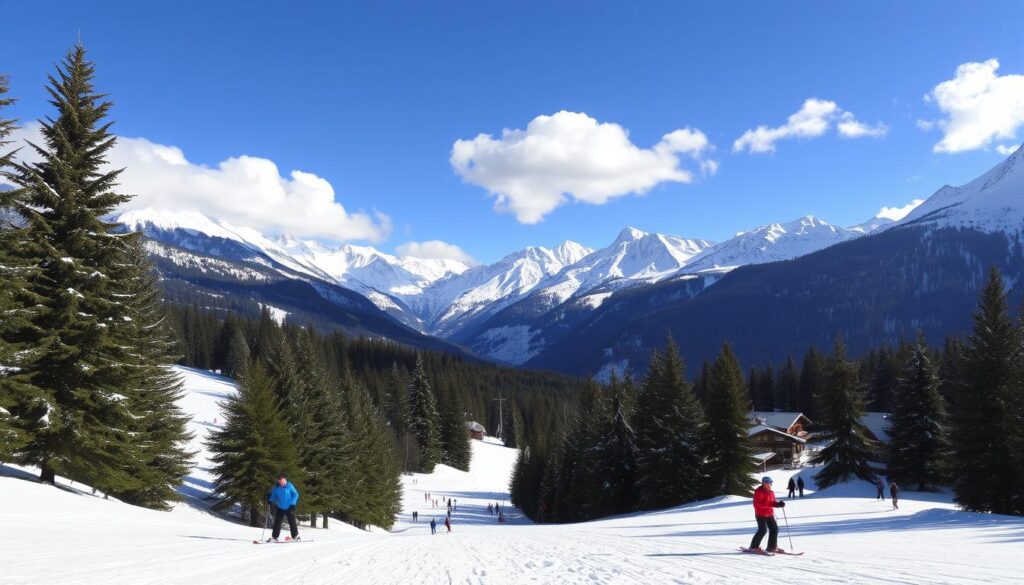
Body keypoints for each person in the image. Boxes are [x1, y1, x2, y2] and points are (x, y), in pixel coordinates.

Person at [749, 476, 786, 553]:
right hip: (760, 514)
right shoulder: (759, 491)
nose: (770, 484)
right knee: (762, 530)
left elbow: (772, 502)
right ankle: (753, 547)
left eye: (771, 483)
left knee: (774, 529)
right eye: (769, 483)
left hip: (769, 514)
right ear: (764, 483)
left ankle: (771, 547)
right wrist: (769, 506)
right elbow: (757, 505)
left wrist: (779, 504)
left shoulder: (771, 492)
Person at [267, 473, 300, 542]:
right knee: (277, 522)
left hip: (290, 506)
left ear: (285, 480)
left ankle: (295, 536)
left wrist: (293, 503)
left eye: (282, 481)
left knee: (292, 521)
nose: (281, 483)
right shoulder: (276, 488)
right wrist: (270, 500)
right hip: (280, 507)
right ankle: (274, 537)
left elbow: (295, 494)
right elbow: (273, 496)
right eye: (280, 481)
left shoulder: (290, 486)